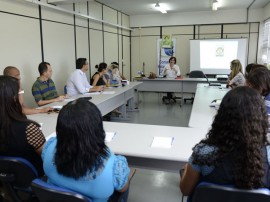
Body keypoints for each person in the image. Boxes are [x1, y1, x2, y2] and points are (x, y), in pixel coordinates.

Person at [180, 86, 270, 197]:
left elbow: (186, 191)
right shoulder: (268, 155)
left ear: (221, 116)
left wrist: (187, 170)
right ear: (260, 118)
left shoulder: (203, 154)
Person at [42, 98, 132, 201]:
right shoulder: (114, 165)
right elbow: (122, 188)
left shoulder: (49, 146)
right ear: (97, 130)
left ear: (60, 129)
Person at [0, 75, 46, 176]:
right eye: (21, 92)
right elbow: (48, 157)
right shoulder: (28, 129)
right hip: (36, 181)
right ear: (13, 97)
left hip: (9, 181)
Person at [246, 67, 270, 131]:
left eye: (253, 86)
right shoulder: (266, 95)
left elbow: (265, 121)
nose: (252, 88)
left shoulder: (268, 97)